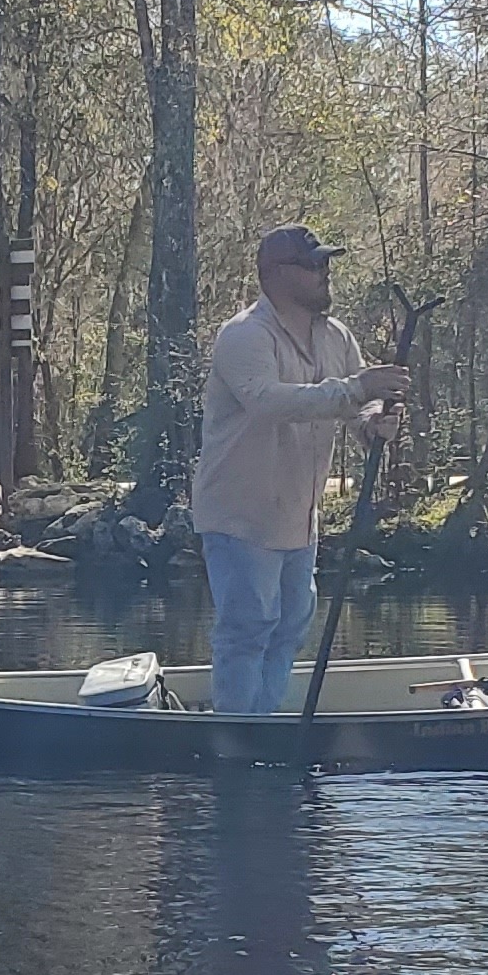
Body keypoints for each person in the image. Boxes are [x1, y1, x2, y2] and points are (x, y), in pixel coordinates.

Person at [192, 224, 411, 716]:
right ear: (276, 275)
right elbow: (268, 402)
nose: (325, 273)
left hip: (299, 516)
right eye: (314, 266)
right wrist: (357, 391)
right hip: (240, 515)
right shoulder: (243, 336)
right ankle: (237, 734)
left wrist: (375, 423)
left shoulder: (336, 337)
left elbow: (358, 410)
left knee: (290, 624)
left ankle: (263, 723)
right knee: (249, 627)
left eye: (326, 263)